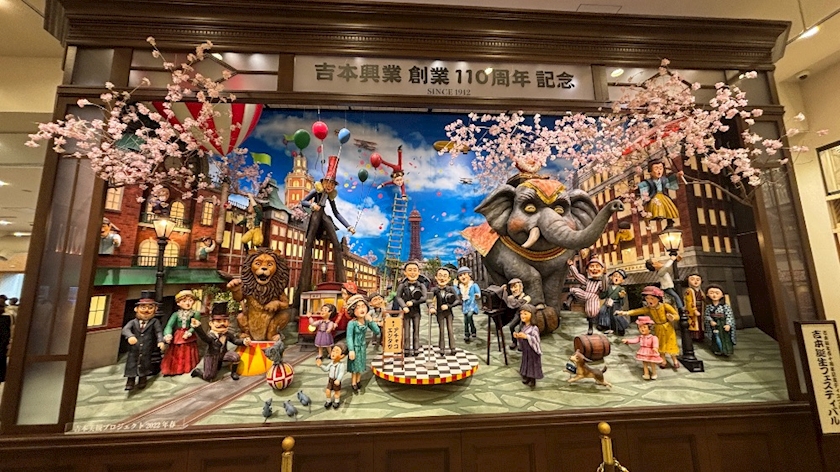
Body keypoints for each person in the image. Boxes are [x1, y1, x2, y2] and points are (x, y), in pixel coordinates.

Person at [295, 155, 356, 308]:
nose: (329, 186)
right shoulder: (316, 192)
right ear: (322, 182)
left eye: (332, 184)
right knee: (309, 242)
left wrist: (348, 226)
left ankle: (342, 283)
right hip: (315, 215)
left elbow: (336, 213)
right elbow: (302, 202)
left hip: (324, 216)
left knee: (336, 242)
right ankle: (304, 283)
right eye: (328, 182)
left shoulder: (330, 197)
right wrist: (311, 206)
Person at [616, 286, 680, 370]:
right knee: (660, 344)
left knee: (671, 343)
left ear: (658, 298)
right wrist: (625, 313)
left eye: (652, 298)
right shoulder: (649, 309)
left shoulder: (665, 306)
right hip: (658, 328)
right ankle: (663, 360)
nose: (649, 301)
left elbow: (676, 315)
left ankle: (675, 360)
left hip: (667, 328)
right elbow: (637, 311)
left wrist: (673, 317)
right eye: (647, 298)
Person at [190, 312, 251, 381]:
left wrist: (243, 342)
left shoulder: (227, 334)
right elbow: (205, 338)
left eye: (225, 321)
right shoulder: (211, 336)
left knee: (235, 357)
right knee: (209, 377)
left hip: (223, 353)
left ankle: (233, 372)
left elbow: (235, 340)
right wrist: (198, 327)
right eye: (218, 321)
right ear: (211, 323)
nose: (222, 324)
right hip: (212, 355)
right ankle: (198, 372)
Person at [121, 298, 165, 391]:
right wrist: (130, 336)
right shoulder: (133, 322)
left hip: (146, 348)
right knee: (132, 364)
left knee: (145, 364)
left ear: (155, 309)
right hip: (134, 349)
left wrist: (160, 341)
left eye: (150, 308)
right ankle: (130, 381)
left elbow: (158, 332)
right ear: (136, 309)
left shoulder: (154, 322)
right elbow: (125, 329)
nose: (146, 310)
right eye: (143, 307)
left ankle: (142, 379)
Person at [160, 290, 202, 376]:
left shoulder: (195, 313)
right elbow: (169, 325)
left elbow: (195, 325)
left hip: (188, 335)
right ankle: (174, 368)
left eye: (190, 300)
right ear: (178, 303)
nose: (188, 303)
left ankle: (187, 367)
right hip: (178, 334)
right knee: (176, 351)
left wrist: (189, 332)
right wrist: (168, 334)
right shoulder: (176, 314)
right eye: (184, 301)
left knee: (188, 350)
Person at [345, 294, 380, 393]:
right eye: (358, 307)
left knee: (360, 364)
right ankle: (353, 382)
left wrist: (371, 321)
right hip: (355, 347)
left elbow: (377, 331)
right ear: (353, 310)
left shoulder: (366, 321)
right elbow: (349, 337)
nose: (362, 309)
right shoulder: (352, 323)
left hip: (363, 347)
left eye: (363, 306)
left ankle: (358, 380)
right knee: (354, 366)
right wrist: (351, 350)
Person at [567, 257, 607, 335]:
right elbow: (577, 276)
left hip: (593, 297)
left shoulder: (600, 282)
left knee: (592, 311)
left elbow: (604, 288)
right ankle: (569, 300)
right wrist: (571, 266)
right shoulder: (587, 281)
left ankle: (592, 326)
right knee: (575, 290)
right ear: (587, 270)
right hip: (585, 294)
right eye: (592, 266)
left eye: (597, 266)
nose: (594, 269)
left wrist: (605, 275)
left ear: (602, 269)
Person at [396, 261, 427, 356]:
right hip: (406, 312)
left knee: (416, 330)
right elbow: (398, 297)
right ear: (405, 272)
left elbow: (424, 297)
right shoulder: (402, 285)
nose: (412, 273)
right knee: (406, 331)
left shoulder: (421, 285)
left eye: (415, 270)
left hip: (416, 311)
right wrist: (404, 306)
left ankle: (416, 348)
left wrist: (413, 302)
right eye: (410, 270)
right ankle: (406, 348)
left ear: (418, 272)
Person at [638, 158, 680, 228]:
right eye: (656, 169)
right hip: (654, 196)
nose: (659, 171)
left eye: (661, 168)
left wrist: (677, 175)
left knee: (668, 207)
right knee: (656, 206)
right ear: (650, 172)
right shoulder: (649, 182)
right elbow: (643, 187)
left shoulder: (663, 180)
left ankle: (669, 220)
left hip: (663, 195)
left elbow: (670, 181)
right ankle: (657, 217)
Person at [622, 315, 663, 380]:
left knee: (652, 362)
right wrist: (628, 341)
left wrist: (655, 348)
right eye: (640, 327)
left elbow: (655, 343)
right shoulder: (640, 337)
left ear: (650, 328)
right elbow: (635, 340)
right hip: (643, 351)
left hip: (651, 351)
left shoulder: (653, 337)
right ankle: (646, 373)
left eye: (644, 327)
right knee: (644, 363)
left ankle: (654, 373)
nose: (642, 329)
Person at [429, 268, 459, 355]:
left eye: (445, 276)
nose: (442, 278)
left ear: (449, 278)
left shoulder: (451, 289)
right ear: (436, 277)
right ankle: (441, 348)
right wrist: (431, 307)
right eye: (440, 276)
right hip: (439, 313)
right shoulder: (434, 290)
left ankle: (452, 347)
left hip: (449, 313)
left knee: (450, 329)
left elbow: (457, 300)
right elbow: (429, 300)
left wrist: (449, 306)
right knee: (441, 330)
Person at [513, 304, 543, 387]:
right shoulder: (523, 327)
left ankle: (532, 380)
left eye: (525, 314)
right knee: (526, 363)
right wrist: (518, 336)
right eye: (521, 314)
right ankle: (527, 377)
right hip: (526, 350)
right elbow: (522, 338)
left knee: (532, 365)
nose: (522, 316)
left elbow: (536, 340)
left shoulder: (534, 328)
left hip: (532, 351)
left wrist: (526, 337)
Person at [704, 284, 736, 356]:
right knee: (715, 337)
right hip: (715, 325)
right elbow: (706, 315)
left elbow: (729, 316)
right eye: (711, 293)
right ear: (707, 295)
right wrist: (710, 321)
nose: (714, 295)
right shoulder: (709, 307)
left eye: (717, 293)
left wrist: (728, 324)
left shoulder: (725, 306)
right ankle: (717, 350)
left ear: (722, 295)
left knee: (725, 338)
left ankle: (727, 351)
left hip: (723, 323)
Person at [597, 269, 629, 335]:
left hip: (616, 304)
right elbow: (605, 294)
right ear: (611, 277)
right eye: (615, 276)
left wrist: (621, 296)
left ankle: (620, 328)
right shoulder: (609, 287)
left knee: (616, 315)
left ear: (622, 280)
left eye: (619, 277)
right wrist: (601, 294)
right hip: (608, 303)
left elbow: (622, 294)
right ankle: (604, 325)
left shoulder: (620, 288)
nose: (616, 278)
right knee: (603, 311)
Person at [316, 342, 348, 409]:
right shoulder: (331, 363)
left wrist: (338, 380)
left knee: (337, 392)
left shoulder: (341, 365)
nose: (333, 353)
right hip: (330, 380)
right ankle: (328, 401)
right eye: (333, 351)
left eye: (336, 352)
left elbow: (341, 373)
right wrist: (321, 365)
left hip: (336, 380)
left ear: (342, 356)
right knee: (328, 391)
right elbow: (326, 369)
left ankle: (336, 401)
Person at [503, 278, 531, 348]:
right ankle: (514, 342)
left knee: (521, 329)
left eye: (515, 287)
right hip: (518, 315)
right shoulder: (512, 298)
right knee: (511, 326)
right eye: (511, 287)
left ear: (521, 287)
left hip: (525, 317)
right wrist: (503, 292)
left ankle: (522, 344)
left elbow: (517, 303)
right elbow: (504, 301)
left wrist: (509, 298)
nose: (513, 290)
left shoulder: (527, 298)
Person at [455, 267, 480, 344]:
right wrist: (455, 286)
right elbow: (456, 293)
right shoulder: (461, 287)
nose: (463, 277)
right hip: (465, 306)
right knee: (466, 321)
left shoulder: (473, 285)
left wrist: (477, 295)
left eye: (464, 274)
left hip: (472, 305)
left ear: (469, 275)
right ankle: (467, 334)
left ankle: (473, 330)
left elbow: (478, 292)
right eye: (460, 275)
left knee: (469, 316)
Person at [683, 273, 706, 342]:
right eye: (692, 279)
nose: (695, 281)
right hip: (693, 309)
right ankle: (695, 337)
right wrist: (694, 310)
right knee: (694, 323)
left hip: (700, 308)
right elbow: (689, 302)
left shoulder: (700, 291)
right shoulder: (689, 291)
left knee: (700, 322)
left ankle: (700, 336)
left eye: (698, 280)